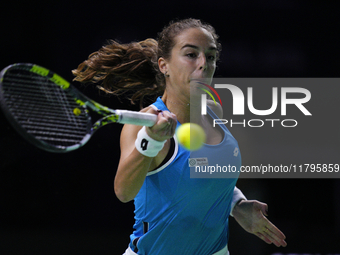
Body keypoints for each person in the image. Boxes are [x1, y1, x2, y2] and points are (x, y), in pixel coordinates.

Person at [73, 18, 287, 255]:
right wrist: (152, 141)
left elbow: (206, 170)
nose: (204, 64)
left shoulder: (213, 110)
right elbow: (124, 192)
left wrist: (236, 204)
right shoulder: (142, 125)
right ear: (164, 65)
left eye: (211, 56)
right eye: (191, 54)